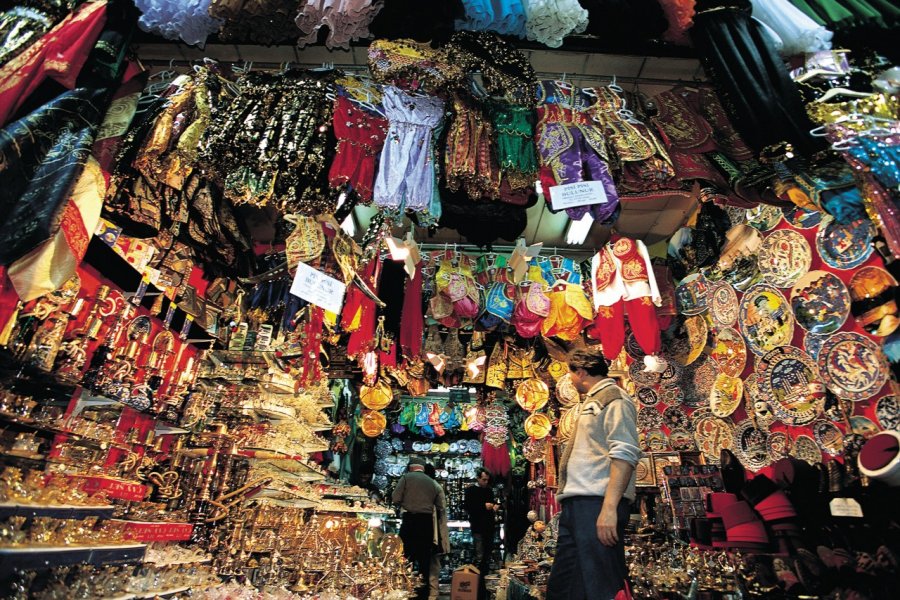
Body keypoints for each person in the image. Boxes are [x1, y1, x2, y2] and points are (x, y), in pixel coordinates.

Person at [546, 346, 642, 600]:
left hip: (597, 503)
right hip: (580, 505)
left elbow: (625, 454)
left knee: (601, 583)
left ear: (580, 372)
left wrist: (609, 508)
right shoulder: (595, 400)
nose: (571, 380)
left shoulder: (614, 399)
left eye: (571, 374)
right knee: (565, 585)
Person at [392, 456, 445, 600]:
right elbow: (440, 506)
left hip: (410, 522)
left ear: (411, 467)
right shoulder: (432, 483)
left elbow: (395, 498)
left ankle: (405, 591)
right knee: (424, 561)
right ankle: (423, 594)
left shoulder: (406, 478)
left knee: (406, 558)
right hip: (426, 524)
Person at [464, 467, 498, 599]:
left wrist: (494, 506)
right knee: (479, 556)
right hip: (478, 527)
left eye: (487, 480)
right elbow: (468, 507)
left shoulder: (488, 490)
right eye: (483, 479)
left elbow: (493, 503)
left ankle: (484, 587)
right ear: (478, 478)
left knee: (486, 557)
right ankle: (477, 587)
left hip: (489, 527)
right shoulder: (471, 490)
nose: (485, 482)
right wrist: (484, 506)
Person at [424, 463, 450, 600]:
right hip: (434, 529)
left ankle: (430, 591)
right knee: (434, 562)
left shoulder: (428, 486)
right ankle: (433, 592)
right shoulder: (435, 486)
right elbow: (442, 506)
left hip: (432, 528)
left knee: (430, 561)